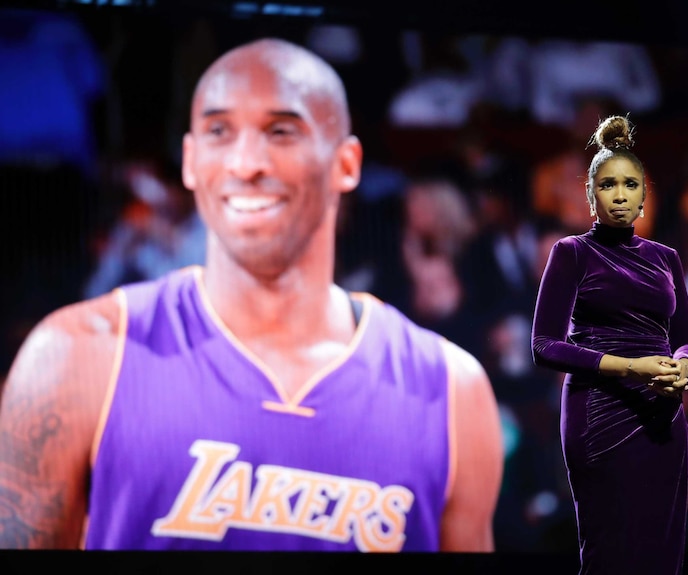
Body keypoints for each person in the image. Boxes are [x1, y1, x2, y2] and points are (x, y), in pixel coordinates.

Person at [0, 38, 503, 552]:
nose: (245, 162)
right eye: (219, 131)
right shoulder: (76, 355)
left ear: (347, 164)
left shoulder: (451, 392)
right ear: (191, 160)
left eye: (281, 132)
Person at [531, 115, 688, 574]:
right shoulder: (572, 253)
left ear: (646, 195)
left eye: (631, 184)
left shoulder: (666, 258)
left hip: (664, 414)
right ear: (591, 195)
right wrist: (634, 368)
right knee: (610, 553)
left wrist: (683, 368)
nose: (621, 194)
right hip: (599, 413)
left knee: (662, 554)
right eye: (608, 185)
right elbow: (545, 344)